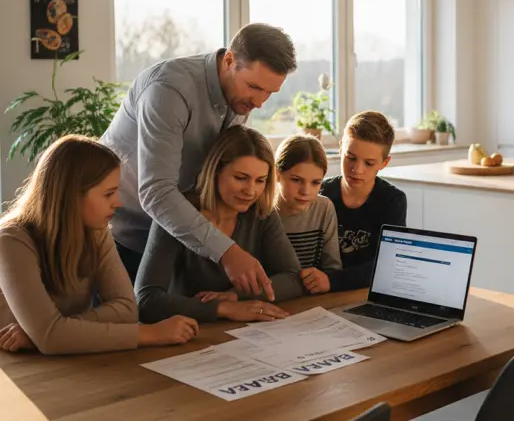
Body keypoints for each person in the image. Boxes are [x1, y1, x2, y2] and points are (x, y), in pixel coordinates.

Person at [100, 23, 297, 301]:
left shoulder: (240, 97)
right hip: (118, 235)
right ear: (229, 60)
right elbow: (156, 192)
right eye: (254, 87)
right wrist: (228, 251)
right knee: (123, 332)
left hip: (176, 238)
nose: (260, 102)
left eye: (269, 92)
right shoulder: (168, 90)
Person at [0, 136, 198, 355]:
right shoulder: (11, 241)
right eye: (108, 194)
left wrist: (48, 332)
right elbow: (50, 337)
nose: (118, 202)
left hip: (67, 362)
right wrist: (152, 334)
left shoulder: (96, 232)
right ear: (72, 196)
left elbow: (126, 310)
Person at [135, 126, 302, 324]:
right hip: (188, 333)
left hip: (243, 332)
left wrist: (235, 296)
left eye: (260, 181)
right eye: (241, 178)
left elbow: (293, 278)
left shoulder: (262, 214)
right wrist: (224, 308)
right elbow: (145, 301)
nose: (251, 191)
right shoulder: (176, 214)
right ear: (215, 172)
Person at [315, 111, 407, 292]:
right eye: (351, 157)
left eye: (369, 163)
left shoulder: (392, 200)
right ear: (341, 148)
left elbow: (388, 263)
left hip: (366, 292)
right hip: (319, 292)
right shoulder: (319, 192)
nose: (357, 169)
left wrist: (332, 281)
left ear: (384, 163)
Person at [274, 135, 342, 295]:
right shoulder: (262, 211)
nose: (306, 191)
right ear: (277, 174)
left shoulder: (324, 208)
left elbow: (332, 269)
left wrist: (324, 279)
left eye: (315, 183)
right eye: (296, 180)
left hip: (311, 299)